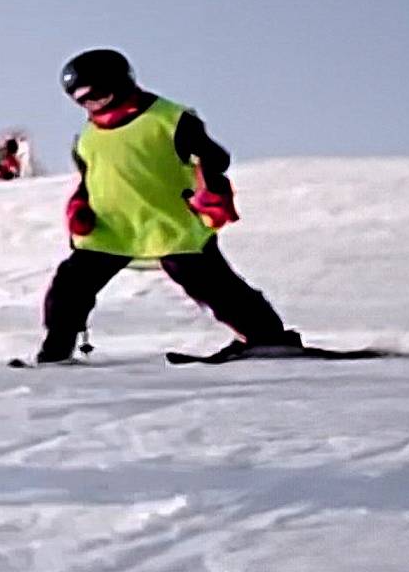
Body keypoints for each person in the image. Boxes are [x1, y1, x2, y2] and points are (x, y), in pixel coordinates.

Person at [32, 49, 304, 363]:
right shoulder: (88, 138)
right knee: (71, 284)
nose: (91, 105)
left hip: (169, 221)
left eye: (98, 95)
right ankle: (56, 350)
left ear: (120, 83)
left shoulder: (169, 120)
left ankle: (267, 337)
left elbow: (214, 158)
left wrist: (213, 191)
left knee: (210, 282)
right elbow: (90, 179)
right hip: (112, 227)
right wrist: (79, 209)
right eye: (82, 101)